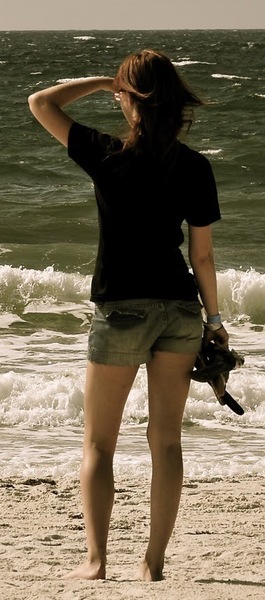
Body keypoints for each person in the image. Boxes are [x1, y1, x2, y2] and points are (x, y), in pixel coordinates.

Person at [28, 48, 229, 582]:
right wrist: (214, 321)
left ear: (130, 99)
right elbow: (202, 256)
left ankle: (95, 562)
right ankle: (153, 563)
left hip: (120, 311)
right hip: (182, 311)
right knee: (166, 442)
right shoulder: (195, 165)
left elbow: (40, 102)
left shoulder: (106, 153)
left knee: (98, 443)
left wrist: (100, 82)